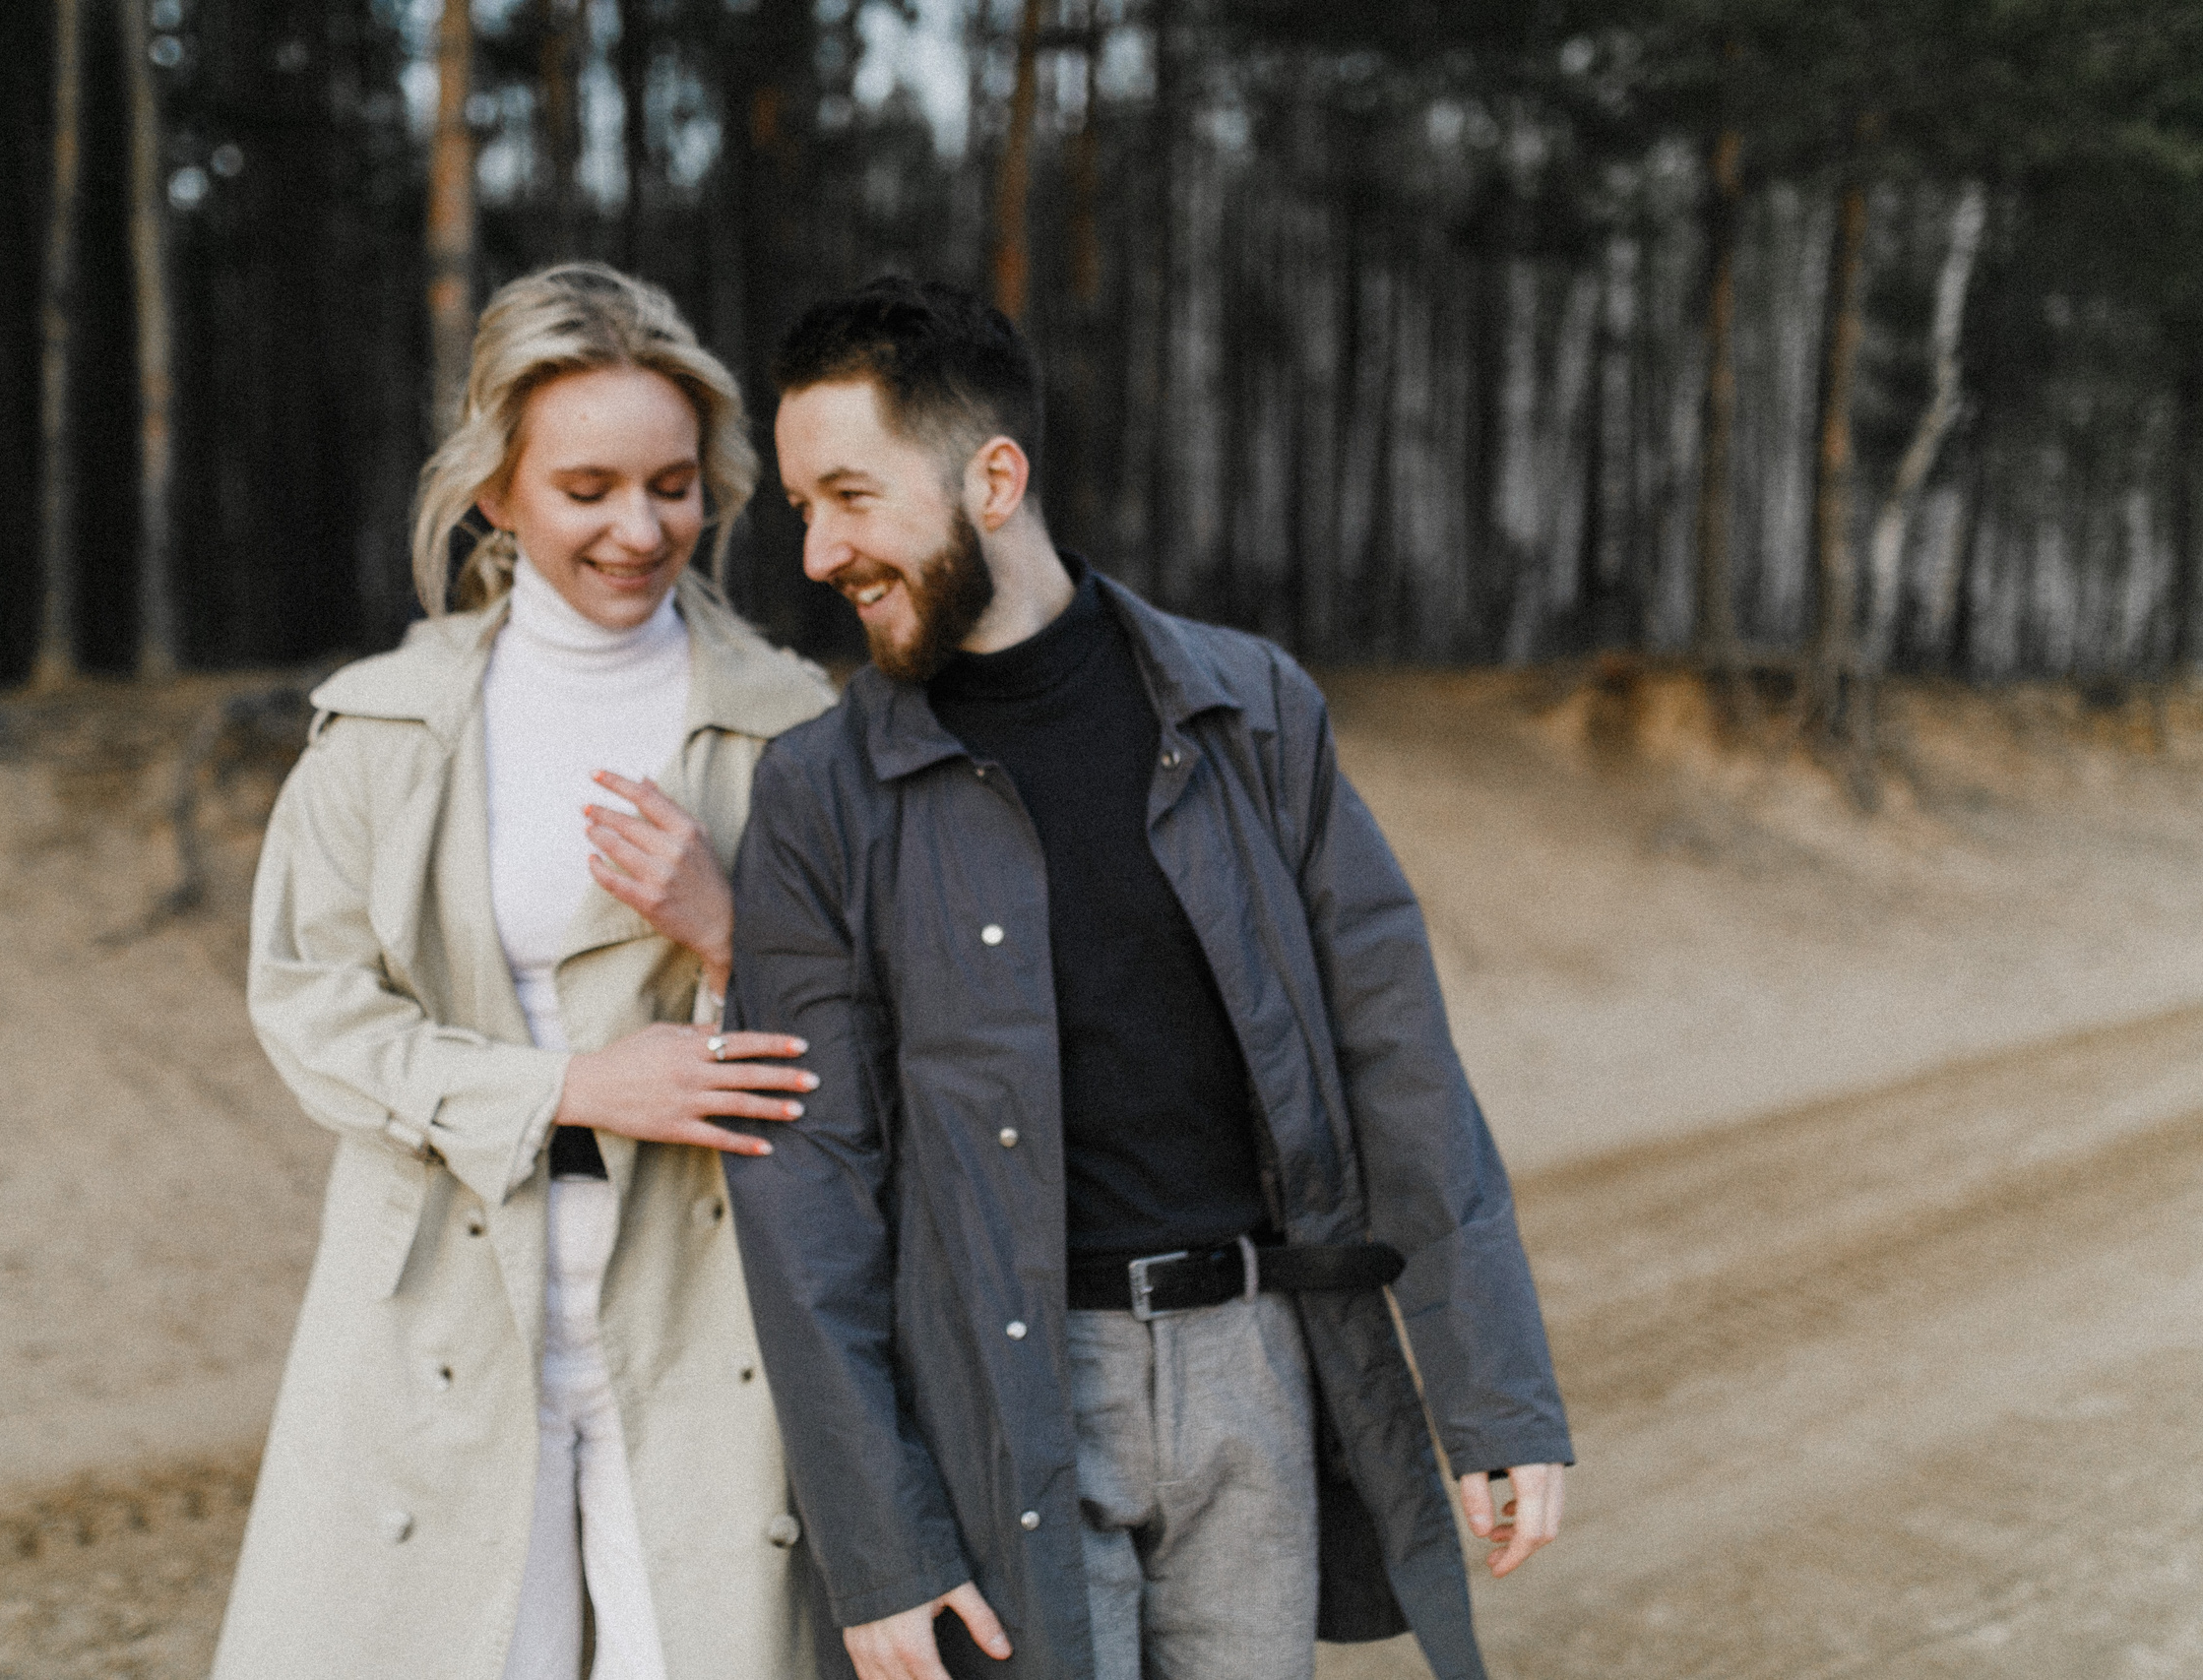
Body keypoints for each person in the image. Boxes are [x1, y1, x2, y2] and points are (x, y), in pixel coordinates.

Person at [720, 277, 1572, 1680]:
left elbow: (1398, 1058)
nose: (819, 553)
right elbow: (810, 1196)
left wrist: (1499, 1398)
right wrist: (883, 1545)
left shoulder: (1250, 711)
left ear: (994, 480)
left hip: (1256, 1376)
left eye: (851, 499)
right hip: (1006, 1402)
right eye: (805, 508)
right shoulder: (822, 795)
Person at [213, 263, 836, 1680]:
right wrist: (571, 1089)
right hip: (439, 1302)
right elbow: (313, 1011)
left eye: (673, 486)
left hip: (716, 1313)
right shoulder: (384, 729)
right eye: (587, 489)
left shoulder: (795, 726)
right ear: (496, 492)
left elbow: (879, 1033)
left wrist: (732, 930)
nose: (640, 530)